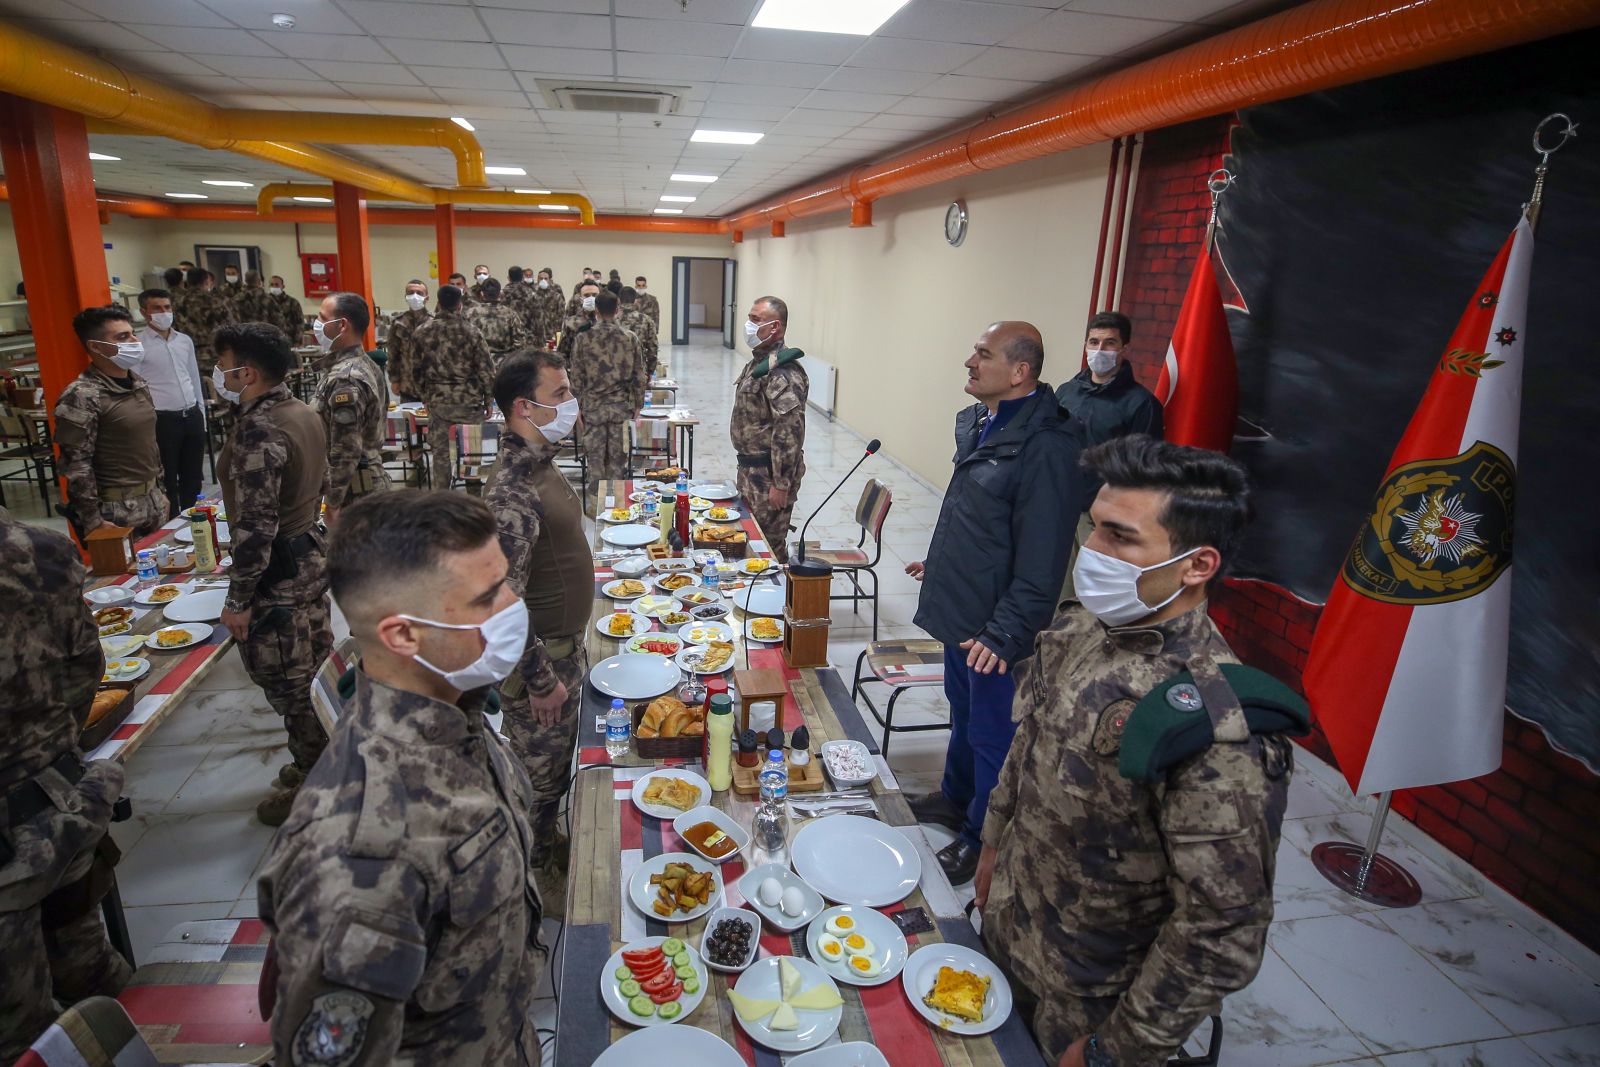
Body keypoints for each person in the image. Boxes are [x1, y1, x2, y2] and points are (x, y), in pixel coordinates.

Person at [976, 434, 1300, 1066]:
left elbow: (1222, 930)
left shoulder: (1214, 720)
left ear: (1196, 565)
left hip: (1088, 998)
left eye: (1120, 537)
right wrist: (993, 842)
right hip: (1010, 929)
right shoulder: (1083, 627)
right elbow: (1030, 740)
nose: (1091, 550)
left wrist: (1111, 1051)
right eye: (1094, 527)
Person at [257, 490, 544, 1065]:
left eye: (506, 584)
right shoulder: (359, 856)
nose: (514, 607)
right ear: (404, 635)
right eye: (487, 597)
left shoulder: (453, 710)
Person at [906, 321, 1081, 884]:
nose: (970, 362)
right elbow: (976, 515)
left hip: (996, 626)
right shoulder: (985, 422)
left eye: (983, 354)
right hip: (964, 607)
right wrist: (943, 564)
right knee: (961, 713)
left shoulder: (1046, 446)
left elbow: (1043, 561)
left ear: (1020, 371)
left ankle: (983, 834)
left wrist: (1005, 633)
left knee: (992, 734)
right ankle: (954, 797)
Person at [0, 511, 132, 1062]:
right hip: (62, 806)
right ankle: (137, 1039)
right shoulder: (40, 549)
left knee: (20, 1035)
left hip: (11, 856)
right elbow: (85, 664)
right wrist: (53, 748)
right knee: (89, 970)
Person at [212, 323, 334, 826]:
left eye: (223, 366)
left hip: (277, 573)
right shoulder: (301, 411)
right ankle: (319, 762)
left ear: (248, 373)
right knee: (315, 670)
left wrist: (238, 599)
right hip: (307, 557)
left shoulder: (259, 430)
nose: (218, 374)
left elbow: (257, 525)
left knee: (291, 683)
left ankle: (317, 784)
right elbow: (321, 480)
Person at [484, 352, 591, 905]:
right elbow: (500, 600)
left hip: (561, 650)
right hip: (541, 664)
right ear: (525, 407)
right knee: (539, 780)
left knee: (557, 767)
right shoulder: (512, 489)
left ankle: (548, 841)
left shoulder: (540, 462)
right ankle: (533, 873)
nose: (571, 402)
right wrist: (541, 680)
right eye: (561, 392)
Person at [1057, 312, 1166, 594]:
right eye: (1094, 342)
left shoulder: (1142, 404)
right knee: (1056, 589)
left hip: (1101, 518)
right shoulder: (1067, 392)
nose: (1100, 350)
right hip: (1060, 506)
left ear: (1124, 349)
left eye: (1109, 343)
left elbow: (1143, 472)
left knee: (1091, 594)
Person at [53, 305, 168, 538]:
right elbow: (76, 465)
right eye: (122, 337)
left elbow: (149, 444)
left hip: (153, 501)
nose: (134, 341)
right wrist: (93, 521)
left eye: (132, 333)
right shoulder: (81, 395)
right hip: (116, 513)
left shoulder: (137, 383)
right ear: (95, 346)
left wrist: (161, 491)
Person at [730, 296, 807, 562]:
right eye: (749, 318)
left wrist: (781, 484)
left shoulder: (783, 372)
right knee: (754, 543)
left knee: (768, 550)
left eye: (756, 320)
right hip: (752, 471)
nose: (749, 325)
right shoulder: (760, 363)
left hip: (768, 476)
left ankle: (781, 590)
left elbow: (789, 432)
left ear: (775, 327)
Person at [310, 292, 391, 520]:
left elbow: (346, 448)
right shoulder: (364, 364)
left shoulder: (346, 378)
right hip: (362, 485)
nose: (316, 324)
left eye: (322, 318)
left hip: (355, 493)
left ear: (342, 325)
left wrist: (333, 502)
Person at [412, 284, 495, 481]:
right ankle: (472, 493)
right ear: (460, 305)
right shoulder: (472, 331)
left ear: (438, 303)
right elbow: (485, 369)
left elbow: (416, 371)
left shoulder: (421, 332)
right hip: (469, 402)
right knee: (472, 453)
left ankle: (441, 495)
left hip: (438, 401)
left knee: (440, 454)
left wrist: (425, 397)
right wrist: (488, 399)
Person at [135, 288, 206, 518]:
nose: (164, 312)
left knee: (193, 477)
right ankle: (172, 522)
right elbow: (136, 387)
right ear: (144, 312)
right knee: (168, 480)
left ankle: (192, 520)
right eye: (157, 308)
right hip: (162, 420)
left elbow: (193, 378)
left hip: (191, 415)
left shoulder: (184, 341)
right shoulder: (139, 344)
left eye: (167, 307)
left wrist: (201, 415)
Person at [569, 291, 644, 487]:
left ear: (596, 310)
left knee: (595, 463)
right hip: (621, 407)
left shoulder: (583, 339)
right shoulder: (630, 338)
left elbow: (576, 377)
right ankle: (617, 503)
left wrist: (575, 407)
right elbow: (638, 375)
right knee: (618, 463)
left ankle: (596, 502)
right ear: (617, 310)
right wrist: (638, 404)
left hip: (593, 408)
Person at [175, 267, 236, 376]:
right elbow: (231, 327)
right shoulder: (217, 301)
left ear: (187, 281)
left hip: (189, 354)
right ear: (206, 280)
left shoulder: (178, 303)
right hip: (216, 353)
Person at [465, 277, 534, 364]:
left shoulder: (470, 314)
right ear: (500, 294)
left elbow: (464, 341)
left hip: (478, 362)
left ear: (482, 294)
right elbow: (520, 342)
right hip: (503, 362)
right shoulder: (510, 314)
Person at [385, 279, 431, 403]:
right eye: (411, 293)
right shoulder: (398, 323)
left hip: (431, 387)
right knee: (407, 415)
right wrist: (394, 380)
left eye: (419, 293)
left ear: (427, 298)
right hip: (408, 387)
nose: (415, 296)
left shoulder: (435, 322)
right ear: (406, 297)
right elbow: (393, 354)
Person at [555, 278, 602, 362]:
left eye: (595, 295)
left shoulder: (608, 321)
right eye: (587, 295)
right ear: (580, 298)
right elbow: (562, 353)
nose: (591, 298)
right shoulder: (572, 324)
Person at [618, 286, 660, 378]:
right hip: (638, 371)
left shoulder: (611, 319)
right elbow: (652, 349)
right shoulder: (646, 320)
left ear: (619, 300)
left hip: (614, 371)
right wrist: (650, 372)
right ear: (635, 301)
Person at [264, 276, 306, 344]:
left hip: (288, 339)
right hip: (269, 340)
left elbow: (300, 323)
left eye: (277, 285)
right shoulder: (264, 302)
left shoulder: (292, 302)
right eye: (272, 285)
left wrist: (297, 340)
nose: (274, 287)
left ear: (283, 286)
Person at [502, 265, 541, 338]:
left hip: (508, 335)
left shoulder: (502, 294)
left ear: (509, 278)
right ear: (522, 277)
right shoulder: (531, 293)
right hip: (528, 334)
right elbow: (538, 316)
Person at [532, 267, 563, 346]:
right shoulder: (531, 295)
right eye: (541, 278)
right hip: (535, 335)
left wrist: (557, 333)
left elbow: (561, 315)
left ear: (549, 280)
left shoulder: (556, 296)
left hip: (551, 333)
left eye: (546, 278)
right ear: (537, 280)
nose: (543, 280)